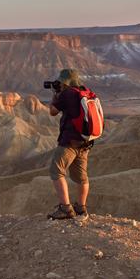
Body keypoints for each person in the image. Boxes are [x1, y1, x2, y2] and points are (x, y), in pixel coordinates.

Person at [47, 68, 94, 221]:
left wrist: (54, 96)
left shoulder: (67, 94)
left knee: (56, 171)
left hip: (70, 141)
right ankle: (81, 208)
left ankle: (66, 208)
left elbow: (53, 111)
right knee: (81, 177)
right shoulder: (84, 92)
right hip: (85, 141)